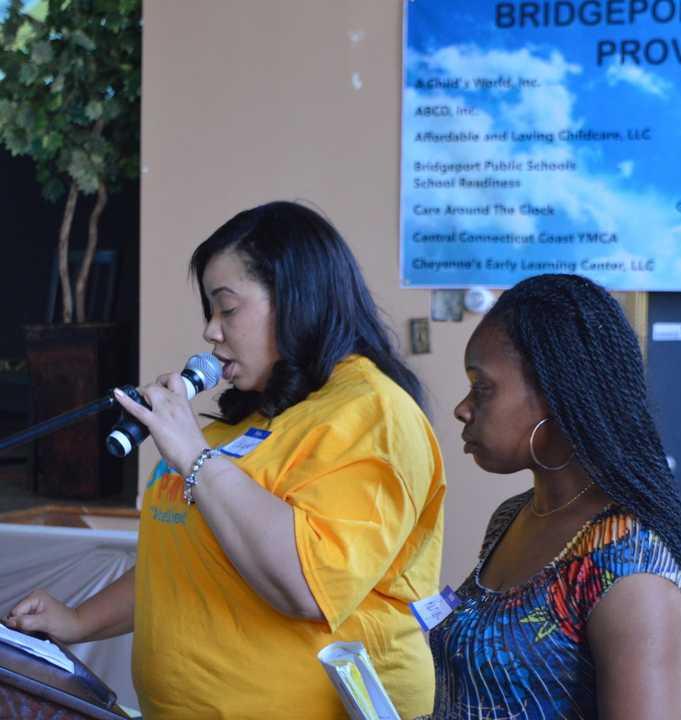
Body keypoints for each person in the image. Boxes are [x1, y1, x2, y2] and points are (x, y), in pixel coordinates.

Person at [6, 201, 446, 719]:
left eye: (227, 309)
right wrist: (78, 621)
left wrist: (194, 455)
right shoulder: (242, 419)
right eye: (209, 313)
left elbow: (305, 585)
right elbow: (184, 568)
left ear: (296, 298)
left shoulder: (372, 412)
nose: (211, 333)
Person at [424, 273, 681, 720]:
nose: (462, 408)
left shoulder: (630, 566)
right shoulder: (513, 517)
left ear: (554, 395)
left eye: (481, 386)